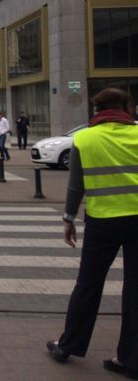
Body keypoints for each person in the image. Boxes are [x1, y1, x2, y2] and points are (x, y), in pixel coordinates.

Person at [46, 88, 138, 378]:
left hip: (102, 221)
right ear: (126, 107)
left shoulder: (84, 139)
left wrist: (68, 219)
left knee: (88, 285)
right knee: (135, 290)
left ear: (96, 109)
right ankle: (130, 359)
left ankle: (67, 345)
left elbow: (76, 186)